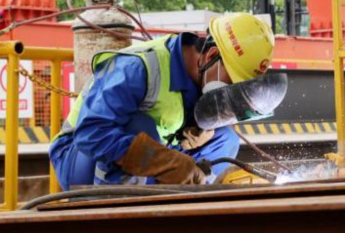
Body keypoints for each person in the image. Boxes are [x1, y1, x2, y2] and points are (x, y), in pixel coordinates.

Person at [49, 13, 275, 187]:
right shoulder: (137, 68)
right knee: (141, 129)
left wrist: (200, 128)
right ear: (212, 55)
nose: (231, 91)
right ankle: (116, 213)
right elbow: (91, 135)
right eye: (233, 82)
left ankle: (183, 200)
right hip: (79, 157)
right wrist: (167, 162)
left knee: (225, 140)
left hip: (145, 159)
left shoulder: (203, 76)